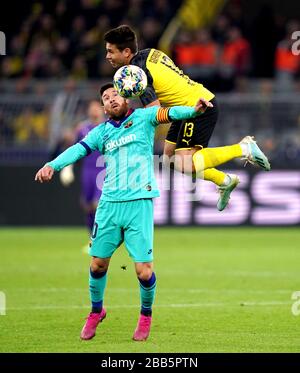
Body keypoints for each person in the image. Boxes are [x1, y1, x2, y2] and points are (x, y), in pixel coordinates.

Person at [35, 83, 215, 341]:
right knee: (97, 265)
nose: (110, 99)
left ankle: (145, 316)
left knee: (143, 271)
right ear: (104, 107)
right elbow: (78, 149)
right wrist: (53, 164)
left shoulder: (143, 117)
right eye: (105, 98)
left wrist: (194, 111)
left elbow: (169, 114)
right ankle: (96, 311)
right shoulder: (101, 132)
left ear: (127, 97)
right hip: (109, 205)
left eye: (115, 94)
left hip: (139, 203)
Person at [104, 25, 271, 211]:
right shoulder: (149, 53)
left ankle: (243, 148)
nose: (107, 56)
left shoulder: (138, 75)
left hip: (198, 107)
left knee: (185, 162)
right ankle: (224, 180)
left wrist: (131, 124)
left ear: (126, 52)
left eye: (110, 51)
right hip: (184, 108)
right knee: (169, 159)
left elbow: (155, 113)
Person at [59, 100, 106, 235]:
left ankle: (101, 237)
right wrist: (68, 167)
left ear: (102, 109)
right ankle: (92, 237)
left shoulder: (107, 126)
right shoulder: (82, 129)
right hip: (87, 170)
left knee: (99, 205)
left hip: (103, 170)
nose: (94, 111)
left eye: (96, 108)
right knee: (87, 206)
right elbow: (74, 149)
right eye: (91, 108)